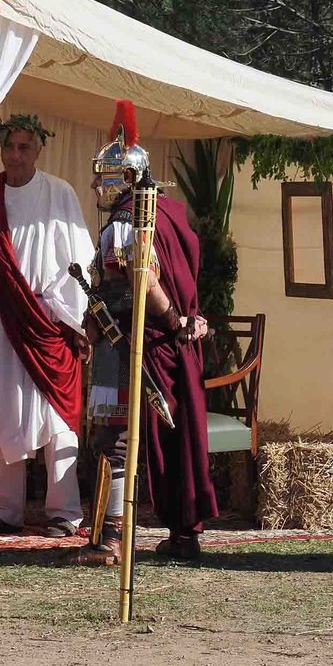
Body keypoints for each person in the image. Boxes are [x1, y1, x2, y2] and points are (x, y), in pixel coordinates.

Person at [72, 100, 216, 564]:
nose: (96, 184)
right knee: (165, 443)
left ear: (128, 178)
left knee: (112, 438)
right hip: (161, 344)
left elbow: (144, 281)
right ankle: (182, 535)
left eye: (104, 176)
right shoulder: (170, 214)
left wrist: (173, 321)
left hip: (134, 344)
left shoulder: (126, 224)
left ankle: (110, 540)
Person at [0, 113, 95, 537]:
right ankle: (5, 510)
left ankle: (64, 513)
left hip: (47, 320)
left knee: (57, 419)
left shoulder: (59, 194)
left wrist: (63, 310)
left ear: (38, 150)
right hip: (0, 322)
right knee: (4, 413)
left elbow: (79, 259)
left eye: (24, 147)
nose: (15, 155)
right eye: (9, 147)